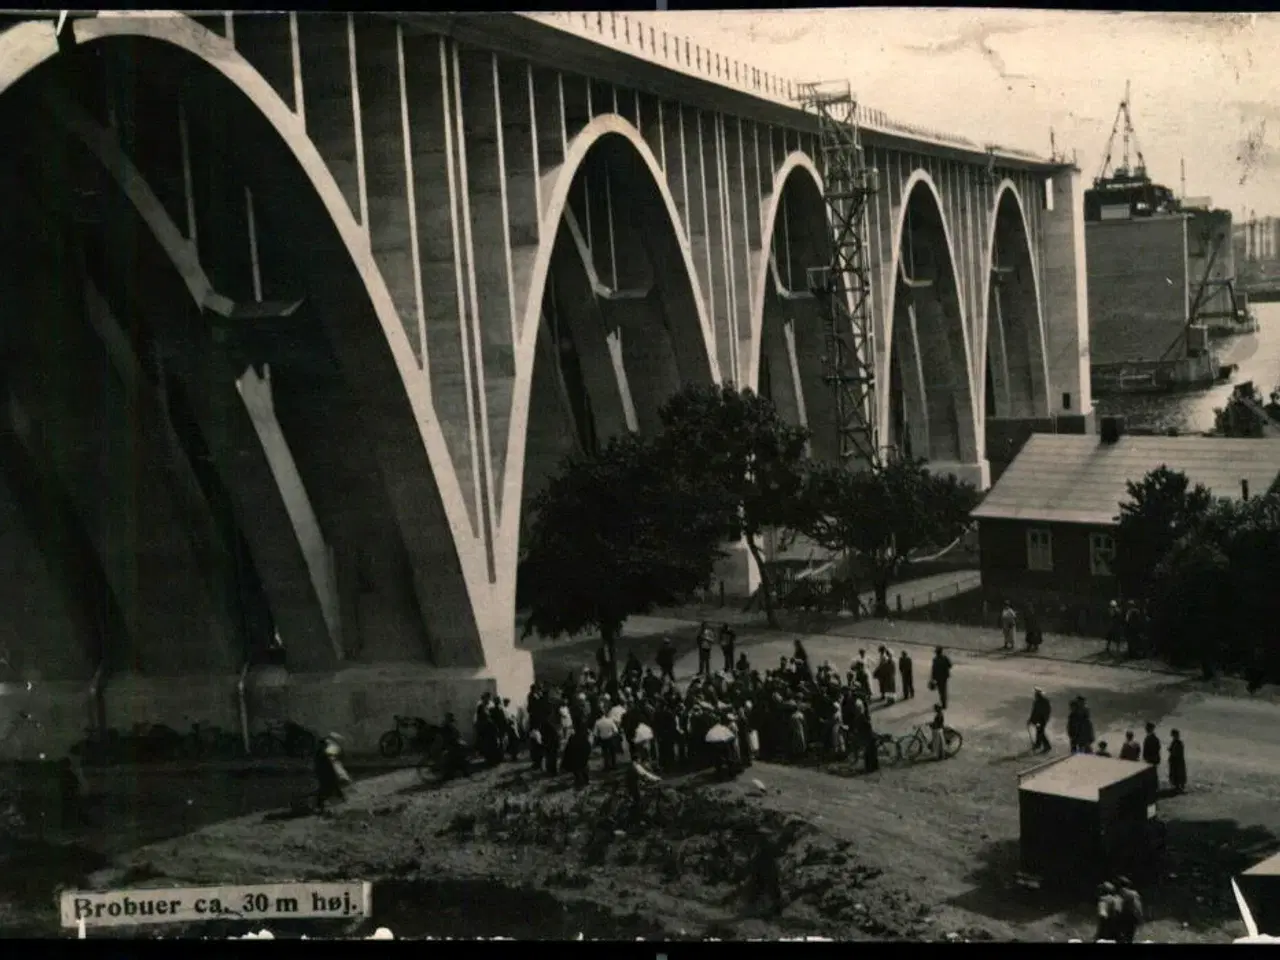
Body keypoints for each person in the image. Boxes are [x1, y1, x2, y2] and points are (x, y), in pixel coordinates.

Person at [314, 733, 351, 812]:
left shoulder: (321, 753)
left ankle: (321, 804)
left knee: (327, 788)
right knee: (329, 787)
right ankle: (340, 798)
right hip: (326, 773)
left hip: (324, 773)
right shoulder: (324, 753)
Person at [1115, 876, 1144, 944]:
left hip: (1122, 917)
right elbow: (1138, 906)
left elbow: (1117, 907)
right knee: (1129, 938)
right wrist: (1140, 918)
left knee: (1120, 938)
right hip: (1132, 917)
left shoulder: (1119, 893)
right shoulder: (1134, 893)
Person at [1028, 687, 1051, 753]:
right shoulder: (1036, 702)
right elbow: (1034, 712)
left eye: (1037, 694)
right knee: (1039, 732)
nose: (1036, 696)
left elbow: (1047, 711)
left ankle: (1043, 745)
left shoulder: (1044, 702)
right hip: (1038, 720)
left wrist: (1045, 718)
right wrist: (1031, 719)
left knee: (1040, 732)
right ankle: (1040, 744)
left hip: (1042, 719)